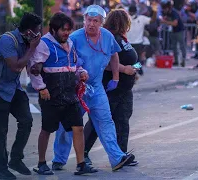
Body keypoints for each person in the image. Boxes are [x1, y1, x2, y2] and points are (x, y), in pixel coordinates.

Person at [52, 5, 136, 172]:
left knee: (106, 121)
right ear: (84, 20)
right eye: (88, 20)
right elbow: (65, 59)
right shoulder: (74, 38)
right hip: (76, 88)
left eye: (95, 21)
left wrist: (116, 78)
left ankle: (117, 157)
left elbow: (114, 54)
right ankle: (59, 159)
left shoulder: (107, 36)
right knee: (67, 126)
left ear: (101, 23)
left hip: (97, 87)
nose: (91, 24)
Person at [29, 12, 98, 176]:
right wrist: (41, 88)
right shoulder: (44, 44)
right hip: (51, 95)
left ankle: (81, 164)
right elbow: (34, 69)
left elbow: (75, 64)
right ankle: (41, 164)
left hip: (70, 94)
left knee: (78, 128)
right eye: (63, 30)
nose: (66, 33)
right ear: (53, 30)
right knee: (47, 130)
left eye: (68, 30)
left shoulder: (70, 43)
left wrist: (81, 72)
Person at [0, 12, 42, 180]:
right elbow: (16, 66)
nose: (39, 34)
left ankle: (15, 159)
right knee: (1, 130)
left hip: (13, 87)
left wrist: (36, 66)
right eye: (37, 30)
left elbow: (29, 66)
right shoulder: (8, 40)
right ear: (29, 31)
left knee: (27, 121)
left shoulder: (27, 41)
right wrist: (32, 49)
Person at [83, 8, 139, 167]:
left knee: (123, 120)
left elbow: (132, 59)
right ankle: (83, 153)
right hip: (111, 87)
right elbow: (106, 63)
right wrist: (125, 69)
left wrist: (135, 67)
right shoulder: (109, 38)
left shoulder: (122, 38)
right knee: (98, 121)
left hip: (125, 88)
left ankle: (121, 155)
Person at [127, 5, 156, 75]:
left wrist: (155, 11)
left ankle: (135, 72)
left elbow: (152, 20)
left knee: (137, 59)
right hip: (129, 43)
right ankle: (137, 71)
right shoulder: (126, 18)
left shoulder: (142, 18)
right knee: (132, 59)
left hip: (138, 43)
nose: (131, 14)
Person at [160, 0, 186, 67]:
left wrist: (165, 21)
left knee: (181, 46)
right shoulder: (167, 13)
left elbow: (175, 23)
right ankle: (176, 61)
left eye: (164, 9)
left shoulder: (174, 13)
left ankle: (183, 60)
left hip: (179, 31)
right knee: (174, 47)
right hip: (173, 32)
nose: (163, 11)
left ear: (167, 8)